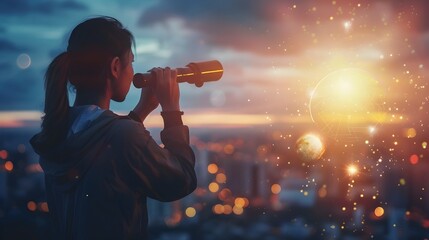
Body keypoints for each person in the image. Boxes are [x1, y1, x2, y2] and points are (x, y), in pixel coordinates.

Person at [30, 16, 197, 239]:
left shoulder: (58, 131)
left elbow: (107, 151)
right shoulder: (123, 136)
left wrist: (141, 111)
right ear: (115, 67)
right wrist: (171, 110)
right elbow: (181, 180)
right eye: (131, 62)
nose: (133, 72)